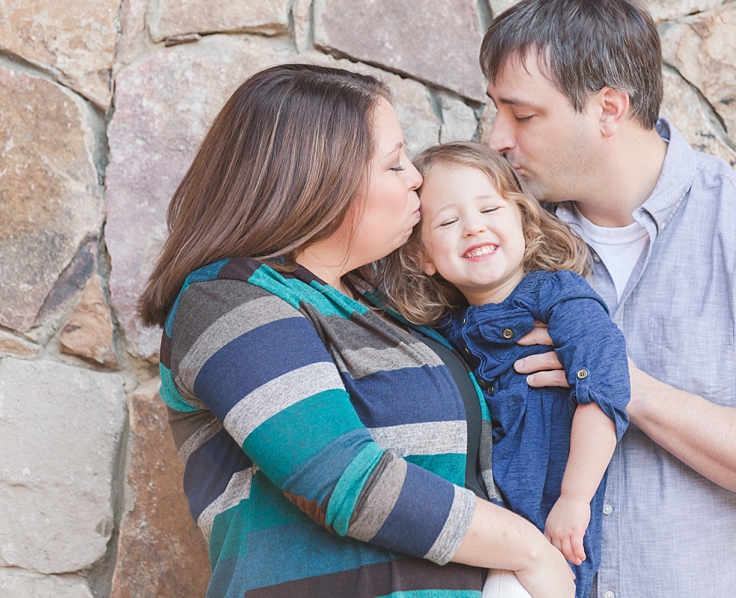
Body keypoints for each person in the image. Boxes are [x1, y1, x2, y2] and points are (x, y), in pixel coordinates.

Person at [478, 0, 736, 597]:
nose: (497, 138)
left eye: (522, 114)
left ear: (609, 108)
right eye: (495, 109)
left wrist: (621, 383)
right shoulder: (495, 239)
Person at [137, 64, 575, 598]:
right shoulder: (229, 297)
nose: (416, 176)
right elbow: (342, 479)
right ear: (320, 183)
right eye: (394, 165)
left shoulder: (382, 306)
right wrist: (531, 551)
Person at [380, 142, 631, 598]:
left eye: (489, 208)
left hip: (550, 522)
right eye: (449, 221)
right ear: (423, 258)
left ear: (525, 224)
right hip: (482, 534)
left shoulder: (559, 297)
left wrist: (574, 498)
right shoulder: (442, 332)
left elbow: (605, 390)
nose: (473, 227)